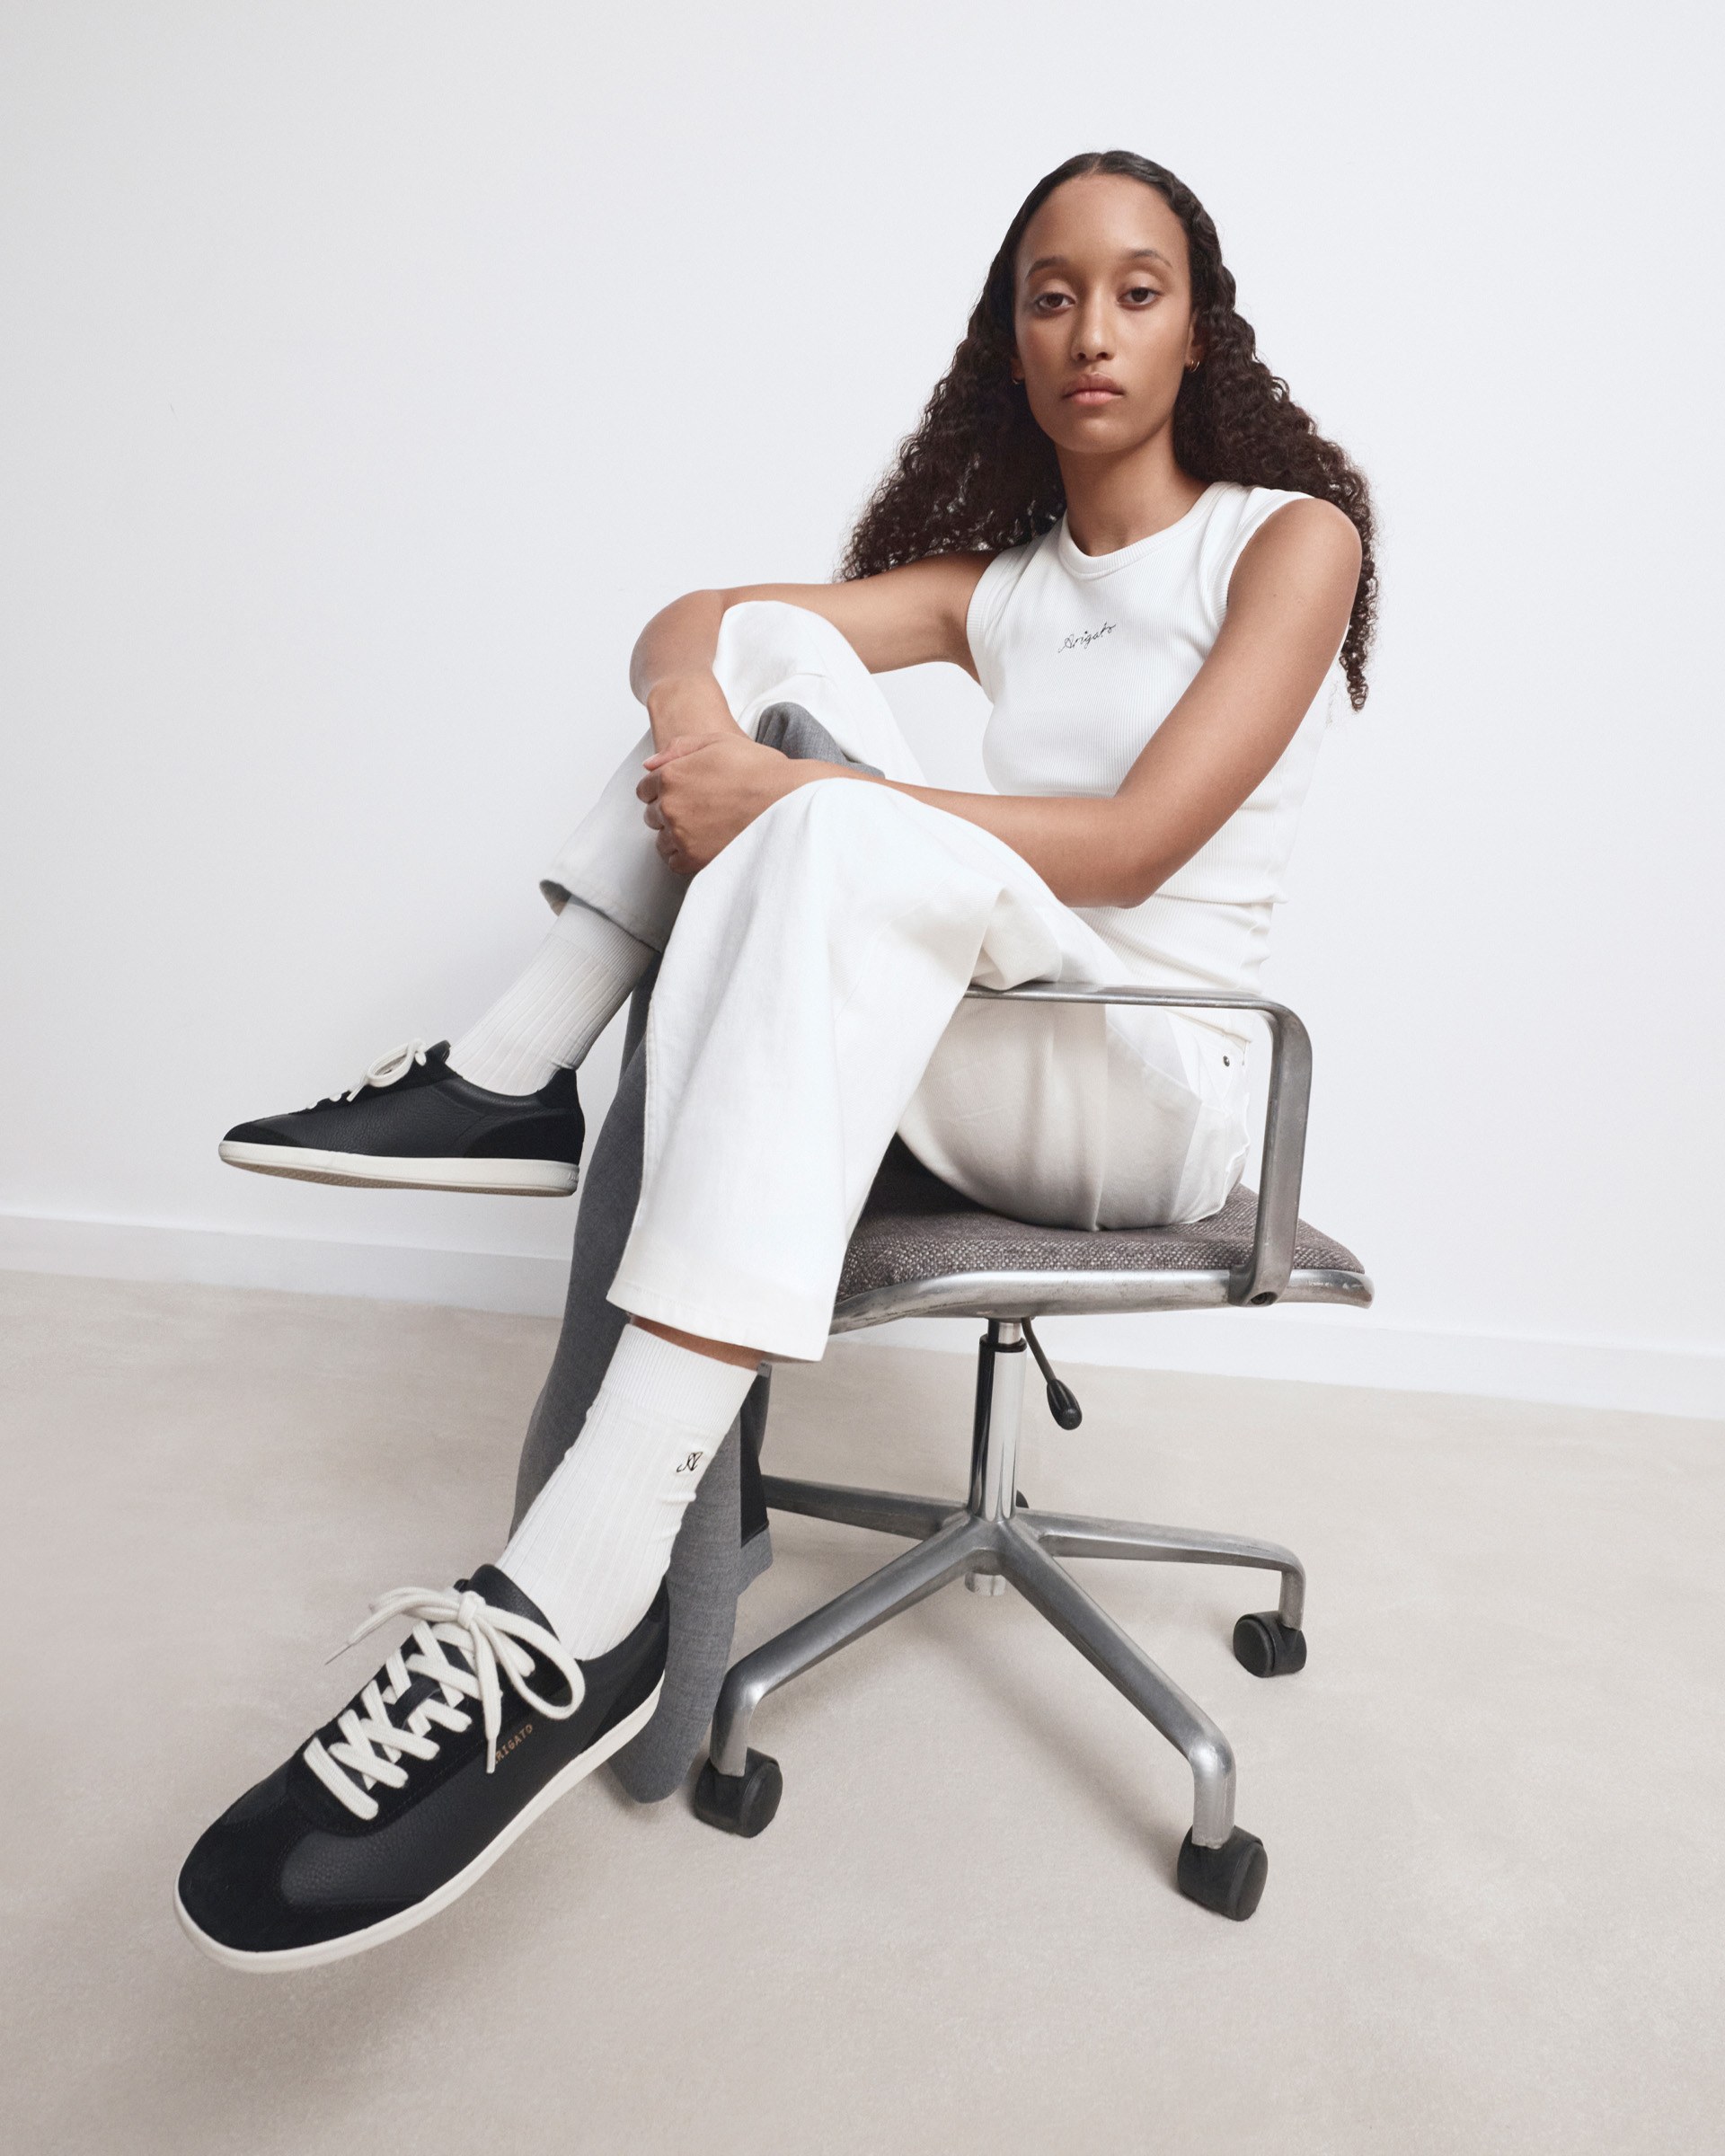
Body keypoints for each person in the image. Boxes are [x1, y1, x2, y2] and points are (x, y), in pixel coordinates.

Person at [175, 148, 1375, 1970]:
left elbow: (1134, 848)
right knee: (778, 664)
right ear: (1010, 336)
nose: (1093, 329)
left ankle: (575, 1601)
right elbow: (698, 629)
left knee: (822, 823)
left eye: (1139, 287)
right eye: (1052, 293)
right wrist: (705, 734)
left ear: (1201, 323)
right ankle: (517, 1079)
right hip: (982, 1047)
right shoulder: (1004, 587)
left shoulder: (1287, 538)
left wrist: (796, 800)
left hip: (1151, 1084)